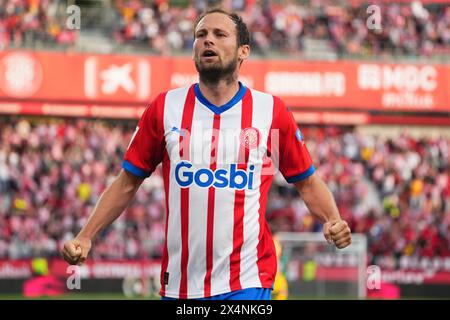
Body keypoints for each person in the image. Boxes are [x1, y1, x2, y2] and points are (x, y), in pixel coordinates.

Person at [61, 8, 352, 300]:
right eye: (201, 35)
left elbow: (307, 181)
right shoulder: (165, 108)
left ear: (243, 51)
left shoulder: (270, 111)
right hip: (180, 284)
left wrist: (332, 219)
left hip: (248, 280)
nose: (207, 41)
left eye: (219, 34)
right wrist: (86, 235)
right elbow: (127, 182)